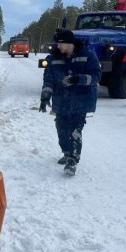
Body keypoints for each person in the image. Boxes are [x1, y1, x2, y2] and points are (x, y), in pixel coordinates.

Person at [39, 29, 102, 176]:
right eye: (57, 44)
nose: (58, 47)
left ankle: (73, 161)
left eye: (61, 44)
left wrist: (77, 79)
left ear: (70, 43)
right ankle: (67, 153)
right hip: (61, 101)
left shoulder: (88, 56)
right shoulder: (53, 58)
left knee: (75, 131)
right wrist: (45, 97)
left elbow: (97, 76)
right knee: (61, 129)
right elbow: (48, 79)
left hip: (81, 101)